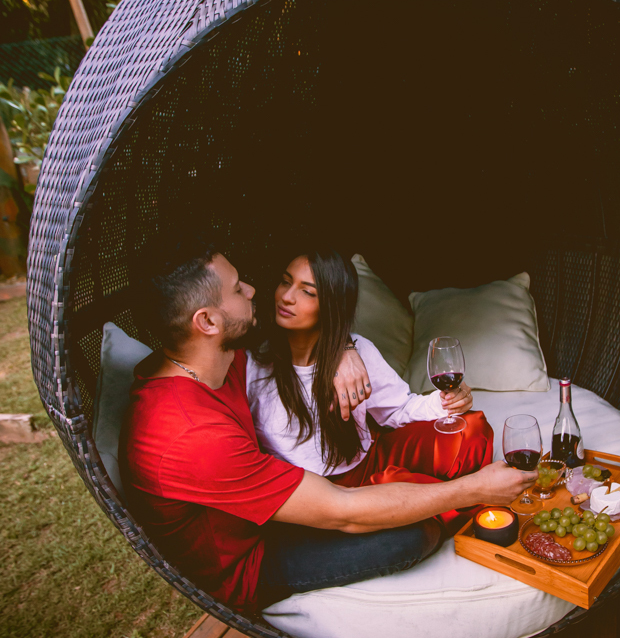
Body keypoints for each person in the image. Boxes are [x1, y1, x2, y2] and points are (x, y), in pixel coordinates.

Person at [121, 239, 531, 614]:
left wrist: (342, 347)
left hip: (285, 504)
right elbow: (342, 511)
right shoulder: (192, 432)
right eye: (237, 289)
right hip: (253, 559)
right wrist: (474, 490)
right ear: (208, 322)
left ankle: (425, 490)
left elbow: (308, 343)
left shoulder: (209, 361)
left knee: (457, 440)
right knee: (411, 535)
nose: (254, 289)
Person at [246, 249, 493, 537]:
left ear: (332, 304)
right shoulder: (253, 364)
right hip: (327, 496)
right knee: (415, 496)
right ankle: (471, 498)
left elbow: (398, 409)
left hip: (371, 457)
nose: (287, 297)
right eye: (285, 282)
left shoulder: (356, 349)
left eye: (307, 292)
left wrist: (446, 402)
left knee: (471, 429)